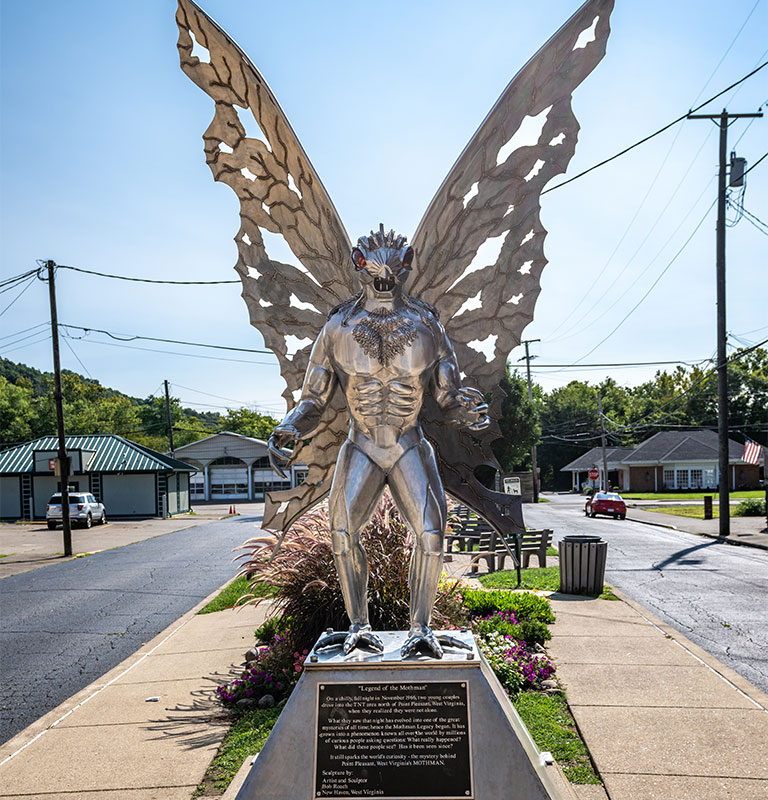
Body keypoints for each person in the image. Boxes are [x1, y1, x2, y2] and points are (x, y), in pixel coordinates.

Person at [269, 226, 489, 658]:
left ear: (406, 266)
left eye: (393, 273)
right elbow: (314, 397)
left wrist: (467, 409)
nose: (384, 281)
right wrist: (292, 425)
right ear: (359, 266)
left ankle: (420, 628)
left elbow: (447, 395)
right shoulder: (337, 328)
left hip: (408, 441)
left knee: (431, 534)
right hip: (361, 444)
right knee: (342, 532)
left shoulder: (428, 325)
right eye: (376, 274)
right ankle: (358, 625)